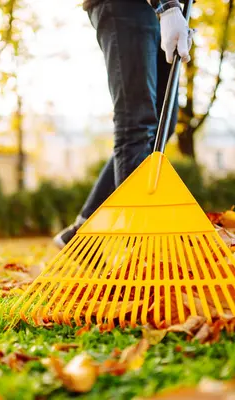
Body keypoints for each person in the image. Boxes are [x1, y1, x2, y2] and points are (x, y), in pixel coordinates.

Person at [53, 0, 195, 248]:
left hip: (159, 10)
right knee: (136, 123)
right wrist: (169, 6)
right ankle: (139, 251)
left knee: (163, 124)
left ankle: (82, 232)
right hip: (125, 5)